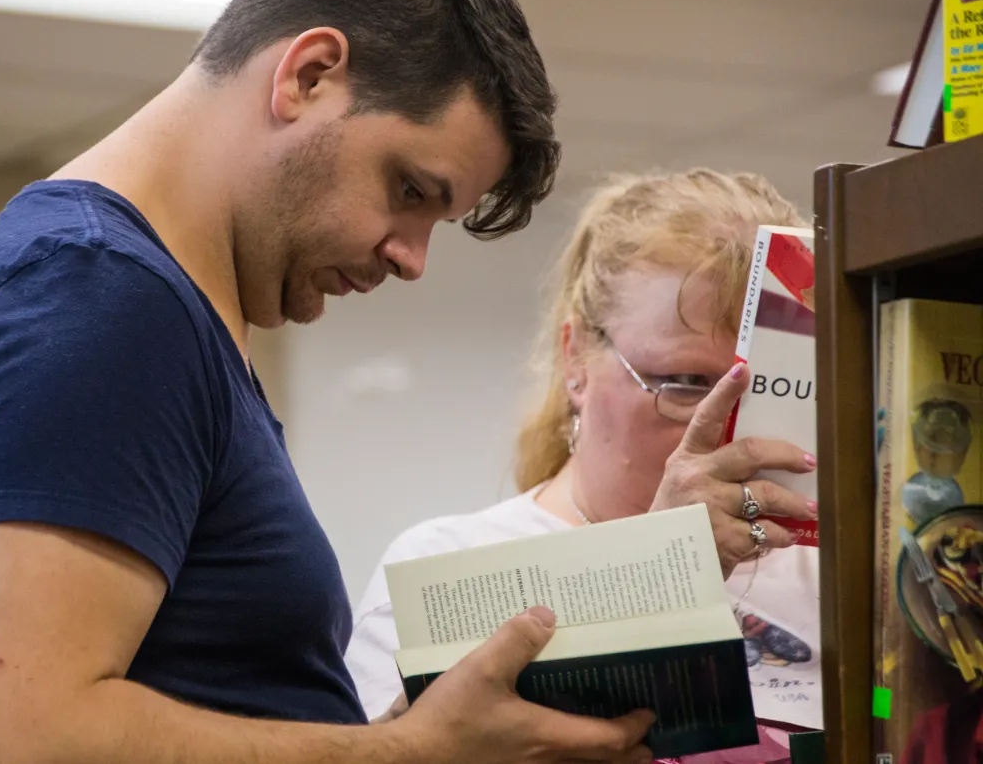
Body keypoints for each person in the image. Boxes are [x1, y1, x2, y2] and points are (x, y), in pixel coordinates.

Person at [0, 0, 661, 764]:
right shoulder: (99, 300)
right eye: (409, 189)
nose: (412, 257)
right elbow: (11, 743)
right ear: (308, 76)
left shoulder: (141, 309)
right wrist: (411, 755)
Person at [345, 169, 821, 763]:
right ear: (575, 360)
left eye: (766, 391)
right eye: (688, 382)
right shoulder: (447, 564)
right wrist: (661, 561)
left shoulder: (820, 575)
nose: (726, 429)